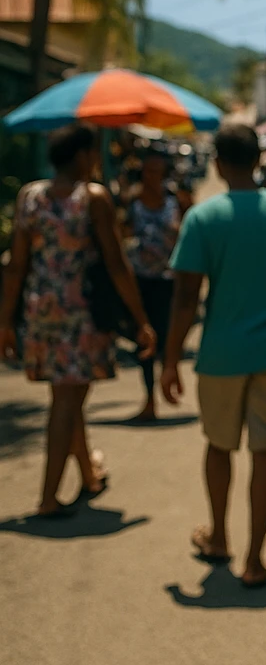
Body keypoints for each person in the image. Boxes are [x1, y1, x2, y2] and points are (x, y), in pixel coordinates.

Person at [161, 124, 266, 587]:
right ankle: (255, 559)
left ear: (217, 164)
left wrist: (170, 361)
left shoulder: (203, 219)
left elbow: (185, 298)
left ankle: (218, 537)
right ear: (258, 161)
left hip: (221, 354)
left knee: (219, 445)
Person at [0, 124, 155, 517]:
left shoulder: (30, 196)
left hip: (41, 309)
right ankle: (48, 497)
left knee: (70, 395)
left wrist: (5, 321)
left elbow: (16, 265)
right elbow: (116, 263)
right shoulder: (93, 198)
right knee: (67, 400)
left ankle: (88, 475)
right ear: (83, 155)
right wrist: (140, 318)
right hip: (80, 311)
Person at [124, 148, 181, 422]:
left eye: (157, 172)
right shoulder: (132, 204)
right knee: (144, 338)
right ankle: (149, 397)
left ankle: (168, 379)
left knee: (167, 334)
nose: (152, 177)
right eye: (148, 171)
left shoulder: (175, 202)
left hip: (168, 279)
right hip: (140, 280)